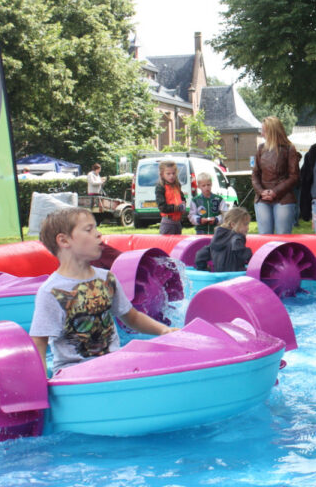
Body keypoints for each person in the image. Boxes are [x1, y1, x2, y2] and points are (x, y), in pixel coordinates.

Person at [29, 208, 177, 374]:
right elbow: (39, 343)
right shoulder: (51, 291)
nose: (98, 234)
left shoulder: (107, 278)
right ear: (64, 240)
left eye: (96, 228)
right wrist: (43, 386)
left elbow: (132, 317)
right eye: (88, 229)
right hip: (74, 375)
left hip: (112, 367)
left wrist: (164, 330)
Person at [252, 116, 300, 234]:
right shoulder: (261, 149)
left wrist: (275, 192)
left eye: (264, 131)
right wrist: (261, 192)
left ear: (272, 131)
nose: (262, 134)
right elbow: (255, 174)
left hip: (284, 198)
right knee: (264, 236)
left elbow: (294, 176)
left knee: (282, 237)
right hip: (262, 198)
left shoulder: (289, 149)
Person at [194, 207, 253, 272]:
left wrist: (203, 268)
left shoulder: (216, 240)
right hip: (236, 277)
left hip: (220, 278)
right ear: (233, 224)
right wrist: (251, 257)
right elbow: (238, 248)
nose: (248, 228)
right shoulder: (237, 237)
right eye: (245, 224)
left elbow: (200, 255)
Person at [155, 160, 186, 235]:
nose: (171, 176)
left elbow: (182, 198)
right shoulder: (160, 187)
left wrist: (183, 204)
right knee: (167, 245)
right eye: (168, 174)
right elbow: (162, 207)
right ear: (162, 174)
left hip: (178, 221)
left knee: (178, 244)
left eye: (173, 173)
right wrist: (177, 208)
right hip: (168, 222)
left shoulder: (177, 185)